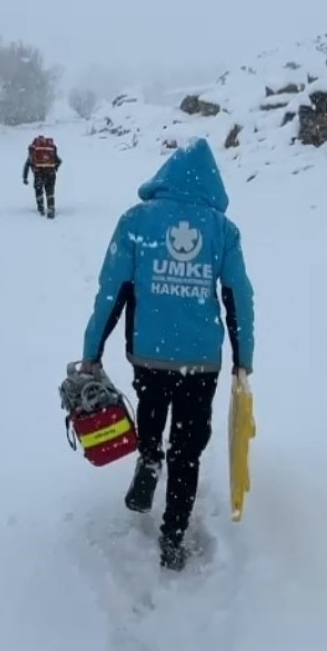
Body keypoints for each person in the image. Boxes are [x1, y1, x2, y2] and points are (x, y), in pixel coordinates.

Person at [79, 137, 255, 572]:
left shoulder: (136, 220)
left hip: (149, 354)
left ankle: (149, 456)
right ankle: (173, 535)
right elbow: (238, 296)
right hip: (201, 360)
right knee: (188, 448)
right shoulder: (222, 230)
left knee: (152, 409)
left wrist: (92, 351)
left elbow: (111, 291)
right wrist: (242, 358)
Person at [23, 135, 62, 218]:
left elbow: (27, 165)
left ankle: (41, 208)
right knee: (50, 192)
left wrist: (25, 178)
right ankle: (51, 209)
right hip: (51, 173)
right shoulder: (50, 150)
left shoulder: (34, 151)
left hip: (38, 174)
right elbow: (59, 161)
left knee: (38, 191)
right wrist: (54, 168)